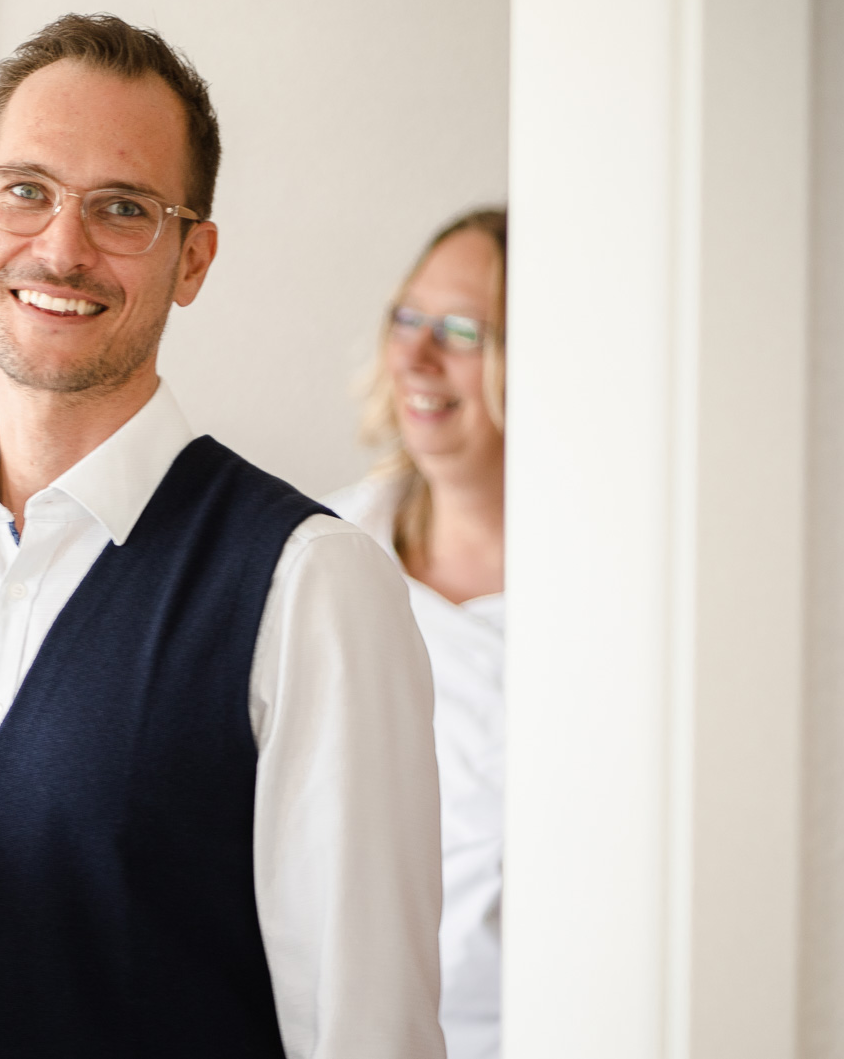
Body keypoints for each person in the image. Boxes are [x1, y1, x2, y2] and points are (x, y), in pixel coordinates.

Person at [0, 15, 448, 1059]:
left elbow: (365, 1033)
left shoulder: (310, 579)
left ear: (191, 258)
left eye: (121, 208)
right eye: (27, 191)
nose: (62, 248)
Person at [326, 208, 507, 1059]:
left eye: (463, 331)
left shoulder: (620, 593)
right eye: (408, 318)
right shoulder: (324, 557)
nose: (418, 356)